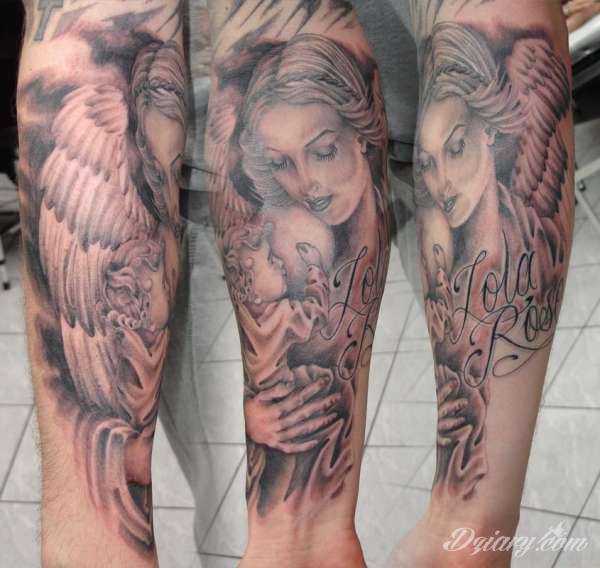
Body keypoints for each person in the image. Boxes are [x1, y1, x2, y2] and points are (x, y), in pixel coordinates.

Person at [16, 2, 574, 568]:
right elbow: (100, 36)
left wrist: (473, 520)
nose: (310, 186)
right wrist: (97, 532)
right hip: (207, 190)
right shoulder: (270, 240)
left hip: (429, 125)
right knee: (252, 525)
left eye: (321, 154)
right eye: (286, 164)